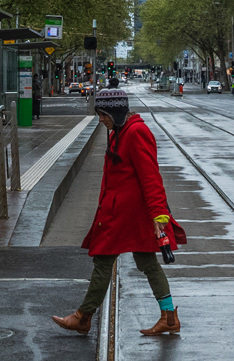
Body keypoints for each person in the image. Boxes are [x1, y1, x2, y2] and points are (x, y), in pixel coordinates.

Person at [53, 78, 186, 337]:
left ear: (114, 112)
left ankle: (83, 317)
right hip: (122, 212)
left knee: (104, 261)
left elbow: (151, 176)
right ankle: (169, 318)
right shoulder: (121, 132)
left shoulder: (136, 133)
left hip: (128, 216)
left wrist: (159, 214)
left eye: (103, 115)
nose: (101, 120)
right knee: (146, 261)